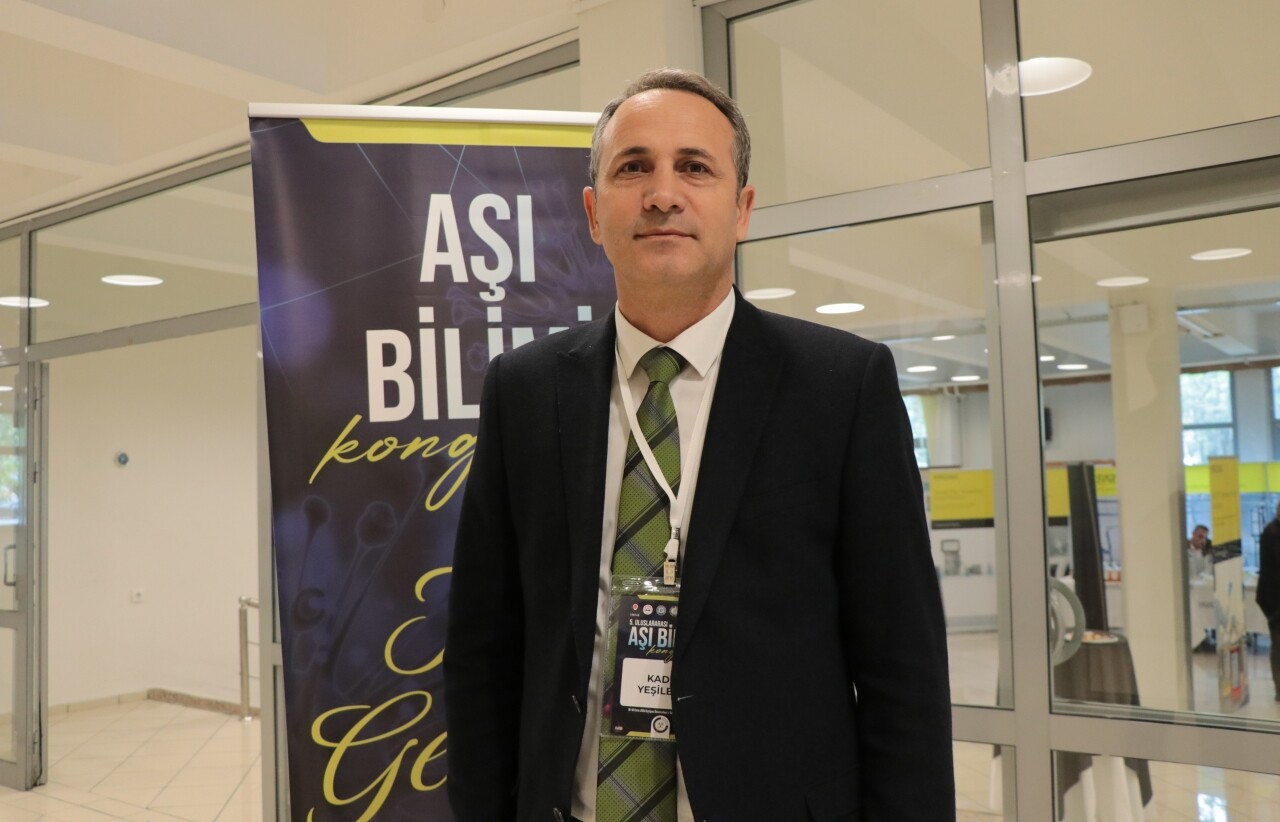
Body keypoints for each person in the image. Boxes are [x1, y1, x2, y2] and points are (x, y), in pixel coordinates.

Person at [444, 68, 953, 821]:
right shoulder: (524, 391)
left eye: (694, 167)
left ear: (741, 209)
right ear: (593, 212)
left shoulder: (841, 388)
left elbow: (902, 669)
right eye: (633, 168)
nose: (662, 194)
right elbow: (483, 648)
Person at [1257, 501, 1280, 701]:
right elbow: (1269, 573)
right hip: (1275, 603)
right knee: (1278, 647)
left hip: (1272, 601)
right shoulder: (1270, 534)